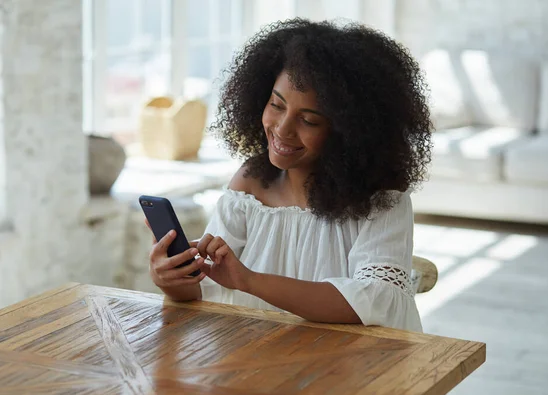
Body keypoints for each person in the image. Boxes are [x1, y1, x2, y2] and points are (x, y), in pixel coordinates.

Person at [147, 19, 432, 332]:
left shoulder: (381, 199)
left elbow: (378, 301)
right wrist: (172, 278)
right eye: (276, 104)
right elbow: (208, 289)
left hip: (353, 366)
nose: (282, 129)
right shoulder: (249, 185)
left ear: (348, 132)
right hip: (257, 360)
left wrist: (250, 280)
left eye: (309, 120)